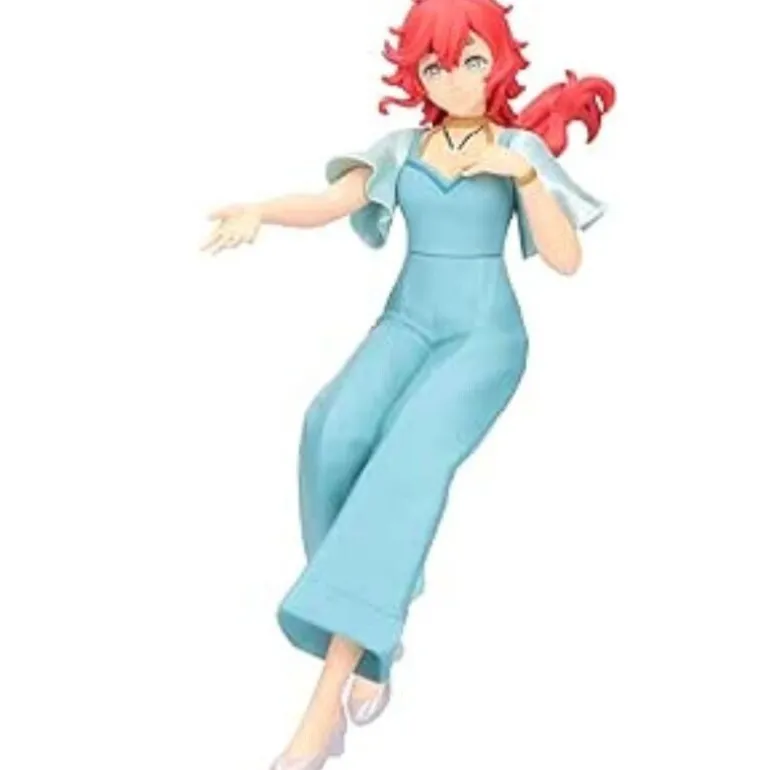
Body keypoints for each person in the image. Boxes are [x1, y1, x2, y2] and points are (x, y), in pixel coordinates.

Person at [200, 1, 615, 767]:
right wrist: (262, 211)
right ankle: (375, 609)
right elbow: (332, 203)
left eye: (472, 61)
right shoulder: (402, 148)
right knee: (330, 431)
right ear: (416, 74)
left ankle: (326, 703)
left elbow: (566, 260)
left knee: (405, 461)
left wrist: (524, 174)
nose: (455, 79)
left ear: (498, 63)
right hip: (408, 321)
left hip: (483, 335)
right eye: (435, 66)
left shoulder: (518, 148)